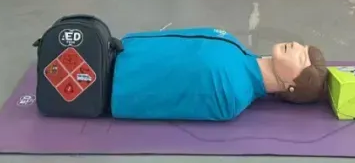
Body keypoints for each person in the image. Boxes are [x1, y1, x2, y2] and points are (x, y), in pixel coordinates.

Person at [110, 27, 328, 121]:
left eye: (302, 58)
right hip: (113, 48)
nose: (296, 45)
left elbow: (166, 99)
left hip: (107, 80)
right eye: (303, 46)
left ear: (291, 86)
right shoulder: (237, 50)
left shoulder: (230, 94)